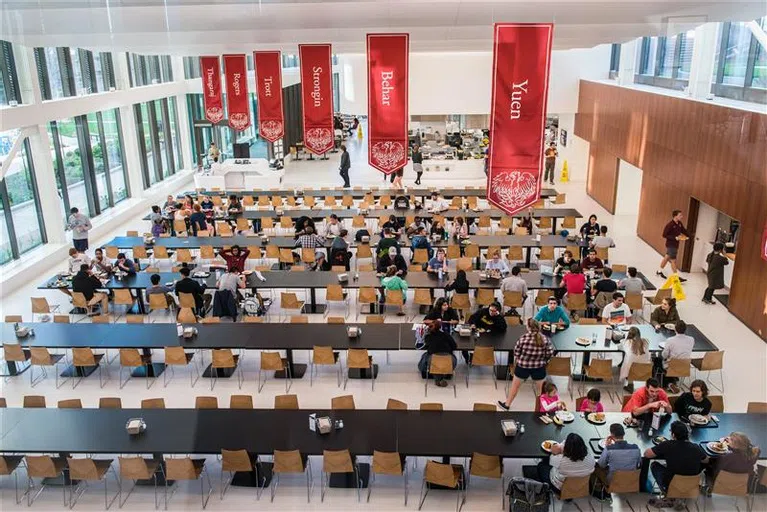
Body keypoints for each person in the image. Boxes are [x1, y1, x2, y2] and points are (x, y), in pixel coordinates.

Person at [645, 421, 708, 509]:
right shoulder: (696, 447)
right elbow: (706, 461)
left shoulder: (667, 445)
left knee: (654, 465)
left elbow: (647, 454)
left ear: (673, 435)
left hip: (670, 485)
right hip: (690, 486)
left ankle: (668, 494)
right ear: (687, 434)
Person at [497, 318, 553, 410]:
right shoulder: (545, 339)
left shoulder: (523, 338)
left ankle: (507, 404)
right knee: (541, 390)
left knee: (515, 387)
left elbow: (516, 353)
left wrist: (521, 359)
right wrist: (543, 360)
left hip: (522, 367)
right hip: (539, 368)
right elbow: (549, 353)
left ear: (528, 327)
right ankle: (542, 408)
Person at [417, 320, 457, 387]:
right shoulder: (446, 335)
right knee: (444, 361)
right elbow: (454, 346)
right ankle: (442, 376)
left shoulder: (428, 337)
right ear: (440, 327)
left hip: (433, 359)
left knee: (425, 360)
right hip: (449, 360)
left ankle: (438, 378)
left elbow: (426, 347)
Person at [658, 320, 694, 393]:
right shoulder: (691, 339)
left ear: (675, 329)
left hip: (672, 366)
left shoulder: (670, 340)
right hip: (685, 365)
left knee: (657, 360)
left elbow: (664, 355)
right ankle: (673, 381)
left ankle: (667, 383)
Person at [657, 210, 689, 281]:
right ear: (675, 216)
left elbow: (683, 230)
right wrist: (675, 238)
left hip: (675, 244)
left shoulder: (679, 223)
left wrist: (688, 236)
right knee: (673, 261)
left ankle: (659, 271)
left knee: (667, 257)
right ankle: (676, 277)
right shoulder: (670, 225)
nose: (682, 216)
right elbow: (664, 235)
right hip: (671, 245)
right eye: (680, 215)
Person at [619, 326, 651, 391]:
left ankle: (630, 384)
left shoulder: (627, 342)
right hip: (645, 370)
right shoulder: (646, 341)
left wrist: (624, 339)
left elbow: (619, 347)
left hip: (631, 371)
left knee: (628, 363)